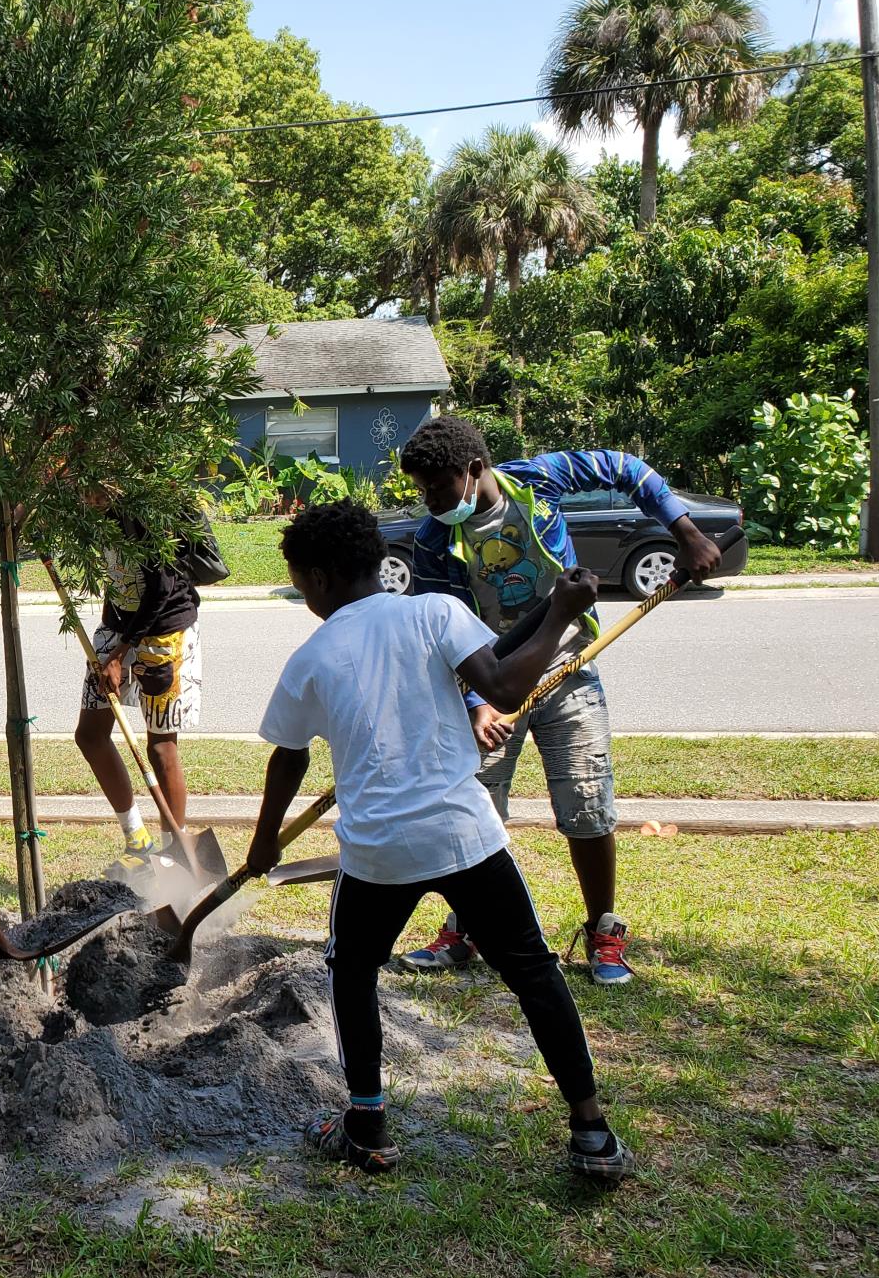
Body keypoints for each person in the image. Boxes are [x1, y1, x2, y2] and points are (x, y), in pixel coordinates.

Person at [246, 502, 632, 1181]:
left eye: (300, 583)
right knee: (534, 973)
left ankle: (367, 1125)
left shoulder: (311, 656)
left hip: (376, 852)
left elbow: (290, 757)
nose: (303, 594)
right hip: (464, 836)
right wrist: (562, 613)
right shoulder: (434, 613)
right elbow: (506, 685)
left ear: (318, 577)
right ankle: (591, 1129)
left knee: (353, 969)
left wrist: (266, 841)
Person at [396, 417, 723, 984]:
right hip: (490, 686)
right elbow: (448, 629)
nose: (430, 501)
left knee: (587, 805)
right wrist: (477, 703)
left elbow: (628, 470)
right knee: (473, 812)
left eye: (437, 487)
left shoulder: (538, 483)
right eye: (422, 490)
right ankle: (466, 927)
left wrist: (685, 532)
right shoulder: (432, 541)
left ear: (474, 471)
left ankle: (603, 932)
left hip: (568, 669)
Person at [72, 502, 203, 872]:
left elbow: (161, 587)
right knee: (89, 734)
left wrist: (121, 652)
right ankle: (137, 839)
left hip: (166, 629)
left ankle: (172, 857)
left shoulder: (144, 506)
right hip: (116, 629)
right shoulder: (90, 507)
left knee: (160, 748)